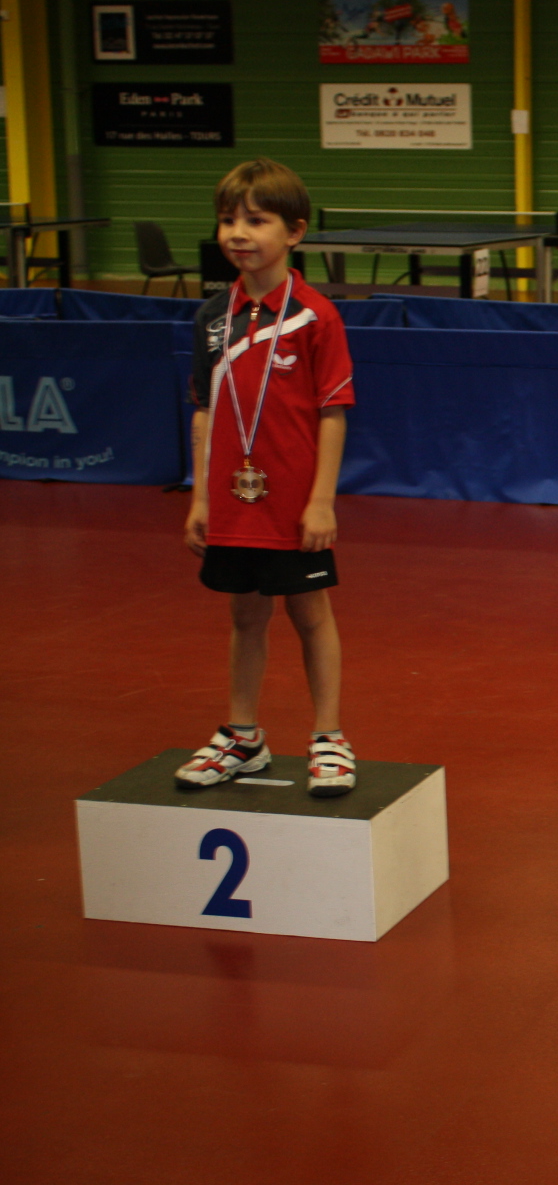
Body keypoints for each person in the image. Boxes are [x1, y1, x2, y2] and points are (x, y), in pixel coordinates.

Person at [175, 158, 358, 798]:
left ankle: (329, 737)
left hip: (294, 502)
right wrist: (200, 497)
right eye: (228, 220)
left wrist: (321, 502)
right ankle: (243, 737)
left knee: (310, 613)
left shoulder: (315, 316)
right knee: (245, 615)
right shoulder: (211, 317)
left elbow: (333, 412)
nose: (238, 233)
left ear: (295, 232)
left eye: (256, 220)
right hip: (232, 499)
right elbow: (204, 409)